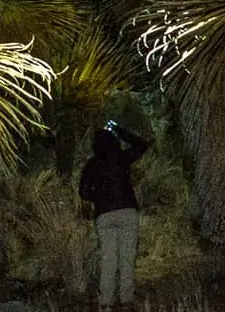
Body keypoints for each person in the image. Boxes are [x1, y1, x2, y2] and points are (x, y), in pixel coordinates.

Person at [78, 119, 149, 311]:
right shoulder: (121, 158)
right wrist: (119, 129)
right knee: (127, 259)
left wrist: (98, 197)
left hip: (105, 215)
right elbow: (143, 144)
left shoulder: (92, 164)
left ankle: (106, 302)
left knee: (108, 259)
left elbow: (83, 192)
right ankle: (126, 299)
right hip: (127, 211)